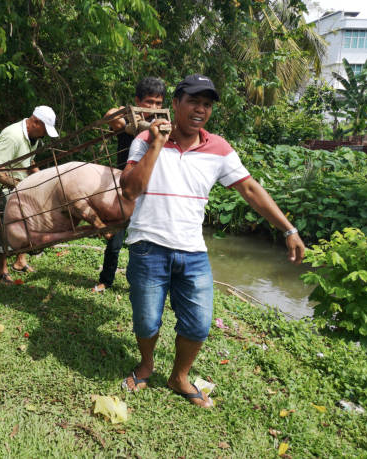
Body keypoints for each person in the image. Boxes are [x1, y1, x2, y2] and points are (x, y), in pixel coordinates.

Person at [119, 75, 305, 407]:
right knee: (147, 319)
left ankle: (179, 377)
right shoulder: (145, 140)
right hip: (148, 245)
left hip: (193, 252)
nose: (200, 109)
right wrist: (157, 144)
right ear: (175, 104)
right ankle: (146, 366)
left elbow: (249, 189)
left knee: (199, 323)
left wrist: (288, 229)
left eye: (206, 104)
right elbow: (130, 190)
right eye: (193, 101)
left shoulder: (219, 148)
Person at [93, 77, 166, 293]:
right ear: (137, 101)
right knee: (115, 240)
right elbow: (109, 116)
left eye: (158, 103)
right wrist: (131, 126)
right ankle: (106, 280)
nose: (153, 108)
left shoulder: (162, 126)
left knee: (150, 240)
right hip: (125, 188)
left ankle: (150, 284)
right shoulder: (128, 121)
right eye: (149, 102)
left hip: (151, 189)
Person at [0, 106, 59, 284]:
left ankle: (20, 260)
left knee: (27, 222)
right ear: (35, 122)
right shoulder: (13, 136)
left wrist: (43, 177)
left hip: (18, 185)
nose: (44, 135)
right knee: (3, 227)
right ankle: (2, 271)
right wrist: (16, 184)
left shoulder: (34, 137)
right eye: (44, 130)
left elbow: (29, 161)